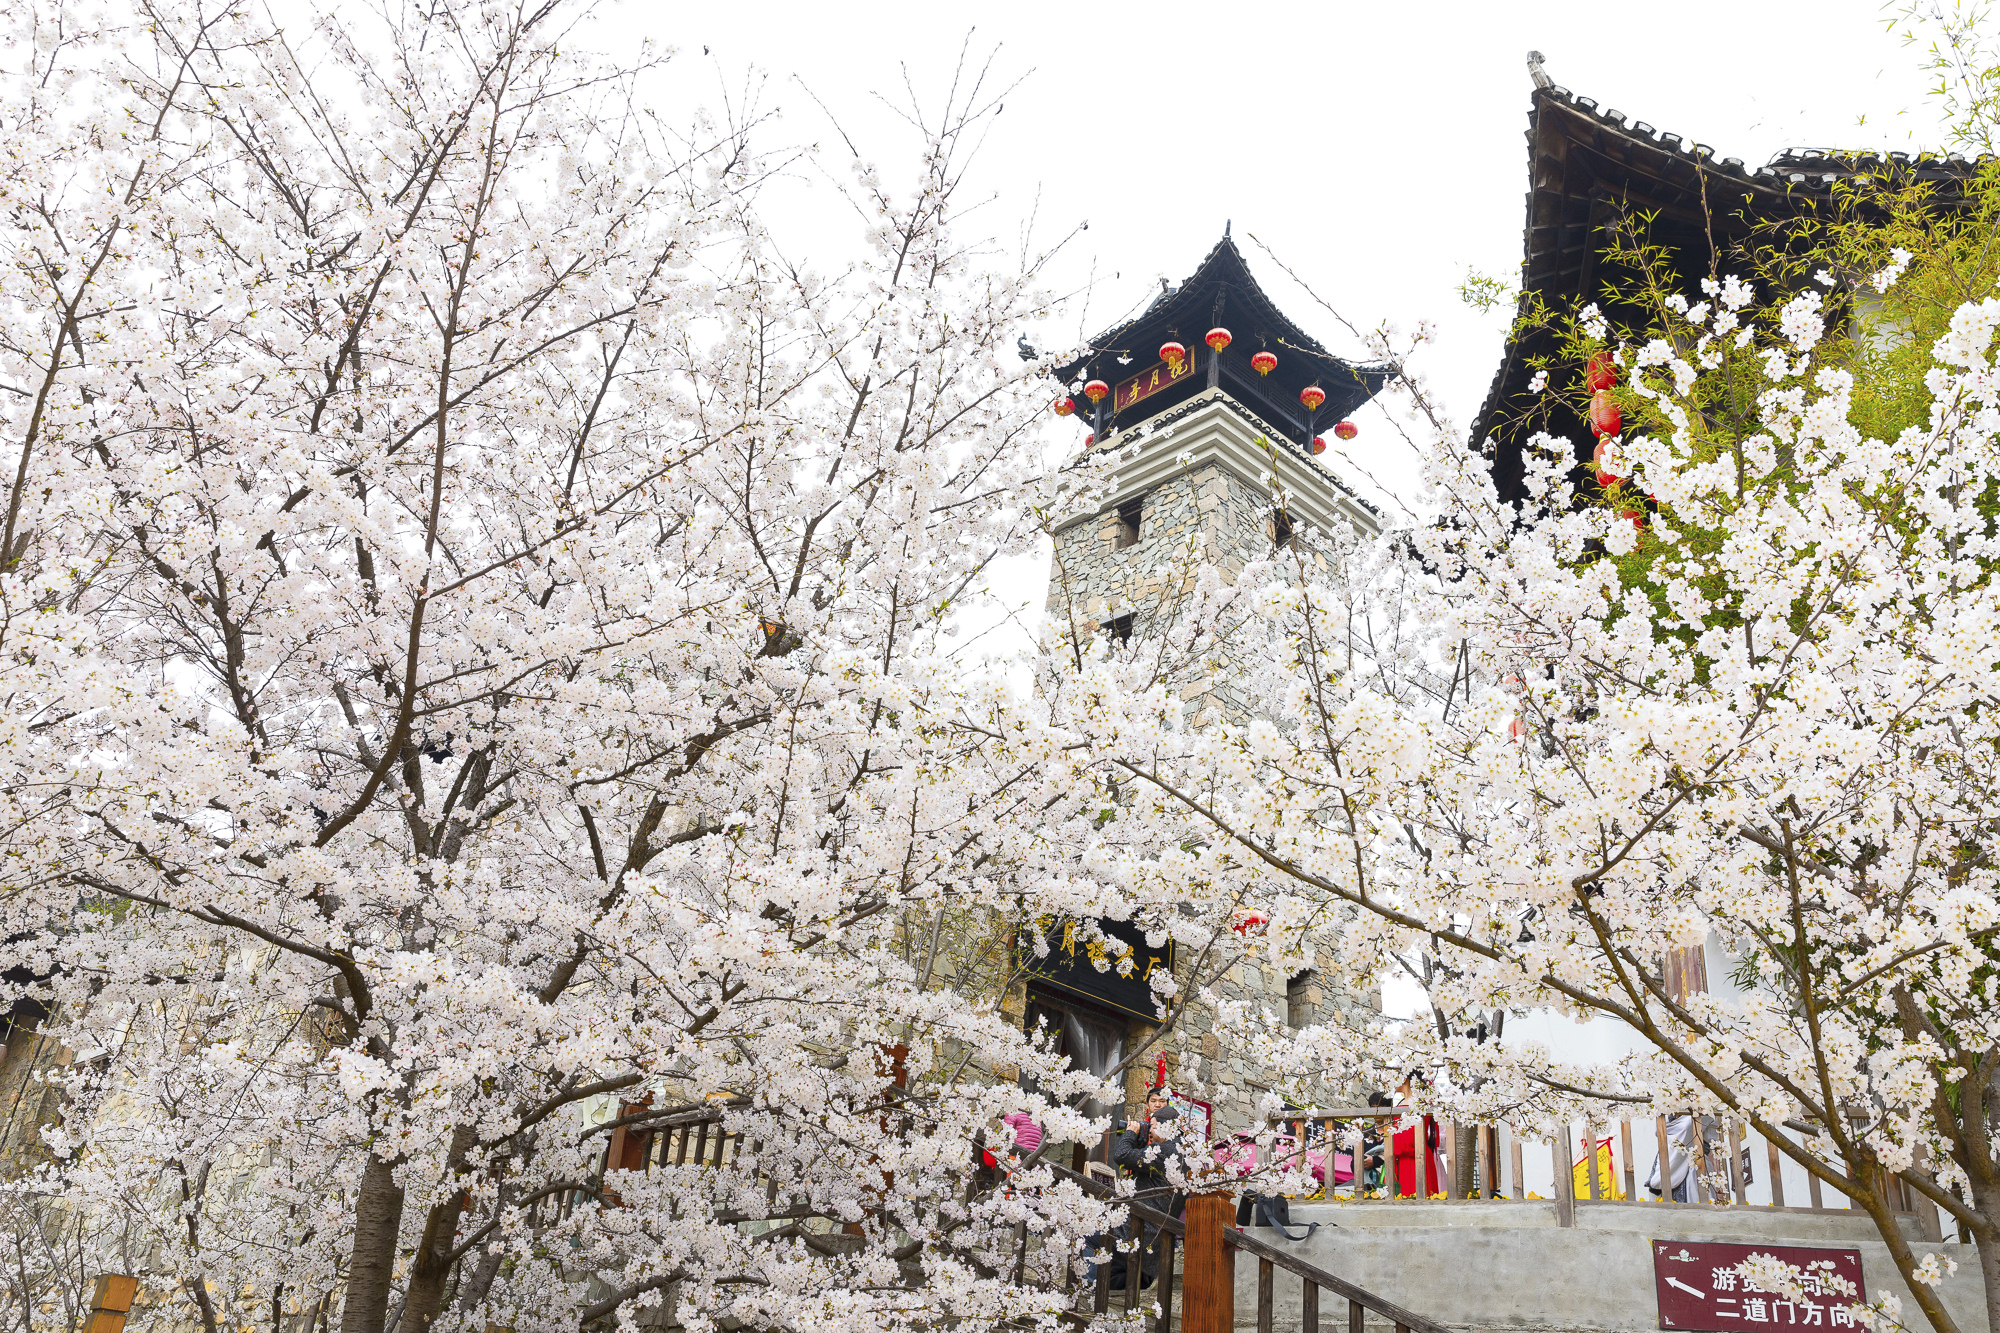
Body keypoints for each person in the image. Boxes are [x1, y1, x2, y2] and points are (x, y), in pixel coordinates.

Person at [1388, 1076, 1442, 1199]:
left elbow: (1411, 1138)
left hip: (1413, 1156)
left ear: (1404, 1078)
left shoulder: (1420, 1103)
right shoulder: (1415, 1102)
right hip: (1404, 1157)